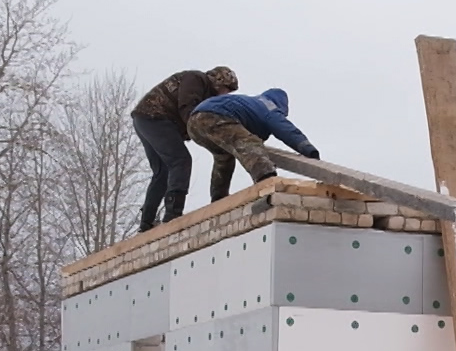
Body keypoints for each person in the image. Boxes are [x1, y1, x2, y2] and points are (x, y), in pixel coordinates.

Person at [131, 66, 240, 232]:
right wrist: (202, 133)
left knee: (162, 172)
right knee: (181, 160)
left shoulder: (206, 96)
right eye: (225, 89)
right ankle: (173, 215)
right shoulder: (196, 79)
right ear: (217, 81)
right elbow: (187, 108)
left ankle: (146, 223)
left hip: (145, 120)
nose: (225, 94)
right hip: (155, 117)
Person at [187, 88, 321, 199]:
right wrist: (308, 149)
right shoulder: (269, 107)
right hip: (215, 116)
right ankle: (266, 182)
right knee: (250, 143)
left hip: (194, 124)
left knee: (224, 159)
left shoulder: (253, 104)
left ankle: (218, 198)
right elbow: (286, 129)